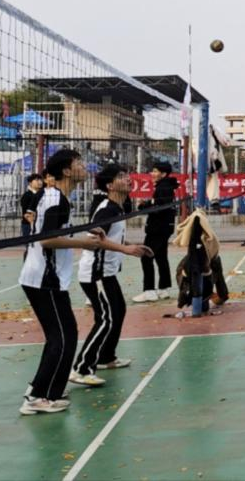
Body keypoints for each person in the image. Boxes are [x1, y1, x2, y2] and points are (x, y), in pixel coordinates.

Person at [19, 150, 139, 415]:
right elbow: (47, 239)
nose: (85, 167)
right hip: (44, 278)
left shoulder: (58, 197)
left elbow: (52, 229)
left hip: (48, 278)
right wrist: (83, 242)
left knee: (63, 337)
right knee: (62, 338)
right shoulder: (55, 199)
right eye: (79, 163)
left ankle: (43, 389)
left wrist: (82, 231)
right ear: (66, 171)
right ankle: (39, 396)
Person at [70, 165, 152, 387]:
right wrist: (126, 249)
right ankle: (81, 369)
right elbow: (94, 238)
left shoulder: (118, 207)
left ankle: (106, 357)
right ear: (110, 185)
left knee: (119, 310)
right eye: (121, 177)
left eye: (127, 175)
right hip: (95, 272)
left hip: (107, 272)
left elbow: (110, 237)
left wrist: (131, 245)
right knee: (106, 318)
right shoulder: (106, 209)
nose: (128, 179)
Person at [134, 161, 179, 303]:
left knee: (146, 257)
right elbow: (159, 204)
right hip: (164, 227)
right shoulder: (166, 186)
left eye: (155, 171)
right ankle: (163, 288)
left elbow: (159, 208)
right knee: (161, 257)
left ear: (163, 174)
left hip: (158, 228)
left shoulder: (163, 187)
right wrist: (149, 203)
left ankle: (149, 291)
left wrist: (143, 205)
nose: (152, 174)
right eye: (152, 171)